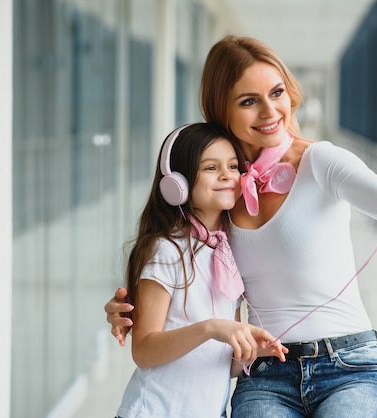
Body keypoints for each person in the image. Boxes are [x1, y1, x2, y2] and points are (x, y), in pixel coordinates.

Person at [106, 36, 377, 418]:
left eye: (276, 92)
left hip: (349, 363)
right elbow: (179, 265)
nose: (270, 111)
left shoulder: (321, 161)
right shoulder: (222, 191)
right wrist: (126, 309)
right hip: (266, 372)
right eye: (249, 101)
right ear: (222, 112)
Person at [114, 122, 287, 418]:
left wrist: (250, 350)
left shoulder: (225, 255)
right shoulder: (166, 249)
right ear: (177, 182)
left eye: (233, 166)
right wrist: (211, 328)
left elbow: (223, 363)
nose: (227, 175)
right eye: (211, 168)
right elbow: (143, 351)